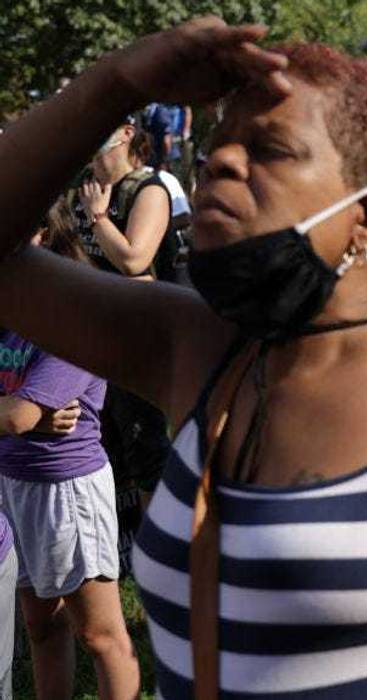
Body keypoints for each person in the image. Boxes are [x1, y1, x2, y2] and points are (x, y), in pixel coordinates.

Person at [0, 21, 367, 699]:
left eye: (270, 151)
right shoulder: (193, 347)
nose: (222, 165)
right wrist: (116, 84)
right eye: (214, 150)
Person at [1, 203, 140, 700]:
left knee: (99, 634)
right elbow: (18, 413)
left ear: (43, 232)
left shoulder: (74, 314)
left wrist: (24, 414)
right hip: (10, 485)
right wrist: (24, 412)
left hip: (66, 490)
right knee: (41, 625)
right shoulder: (8, 305)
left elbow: (17, 416)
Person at [76, 113, 179, 568]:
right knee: (106, 443)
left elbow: (135, 260)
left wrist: (98, 216)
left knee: (145, 449)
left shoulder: (148, 188)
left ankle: (164, 554)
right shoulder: (81, 184)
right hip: (90, 338)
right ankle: (120, 549)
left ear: (127, 133)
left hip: (139, 342)